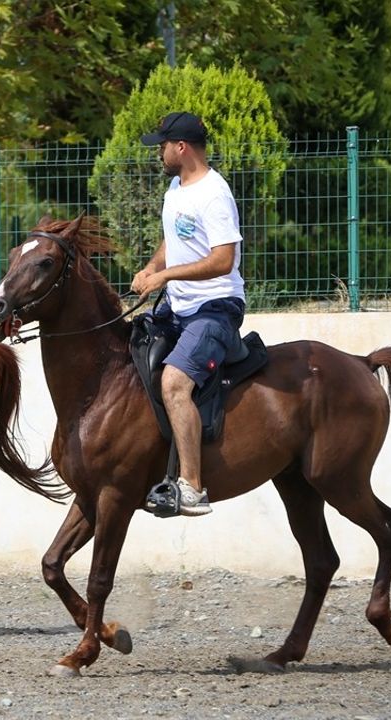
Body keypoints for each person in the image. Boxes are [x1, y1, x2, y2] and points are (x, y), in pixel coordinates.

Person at [130, 111, 245, 517]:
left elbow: (222, 261)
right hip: (179, 308)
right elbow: (174, 238)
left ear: (181, 147)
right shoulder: (177, 188)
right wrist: (151, 266)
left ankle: (193, 487)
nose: (158, 152)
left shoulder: (214, 194)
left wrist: (165, 276)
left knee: (175, 383)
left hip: (216, 308)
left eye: (162, 145)